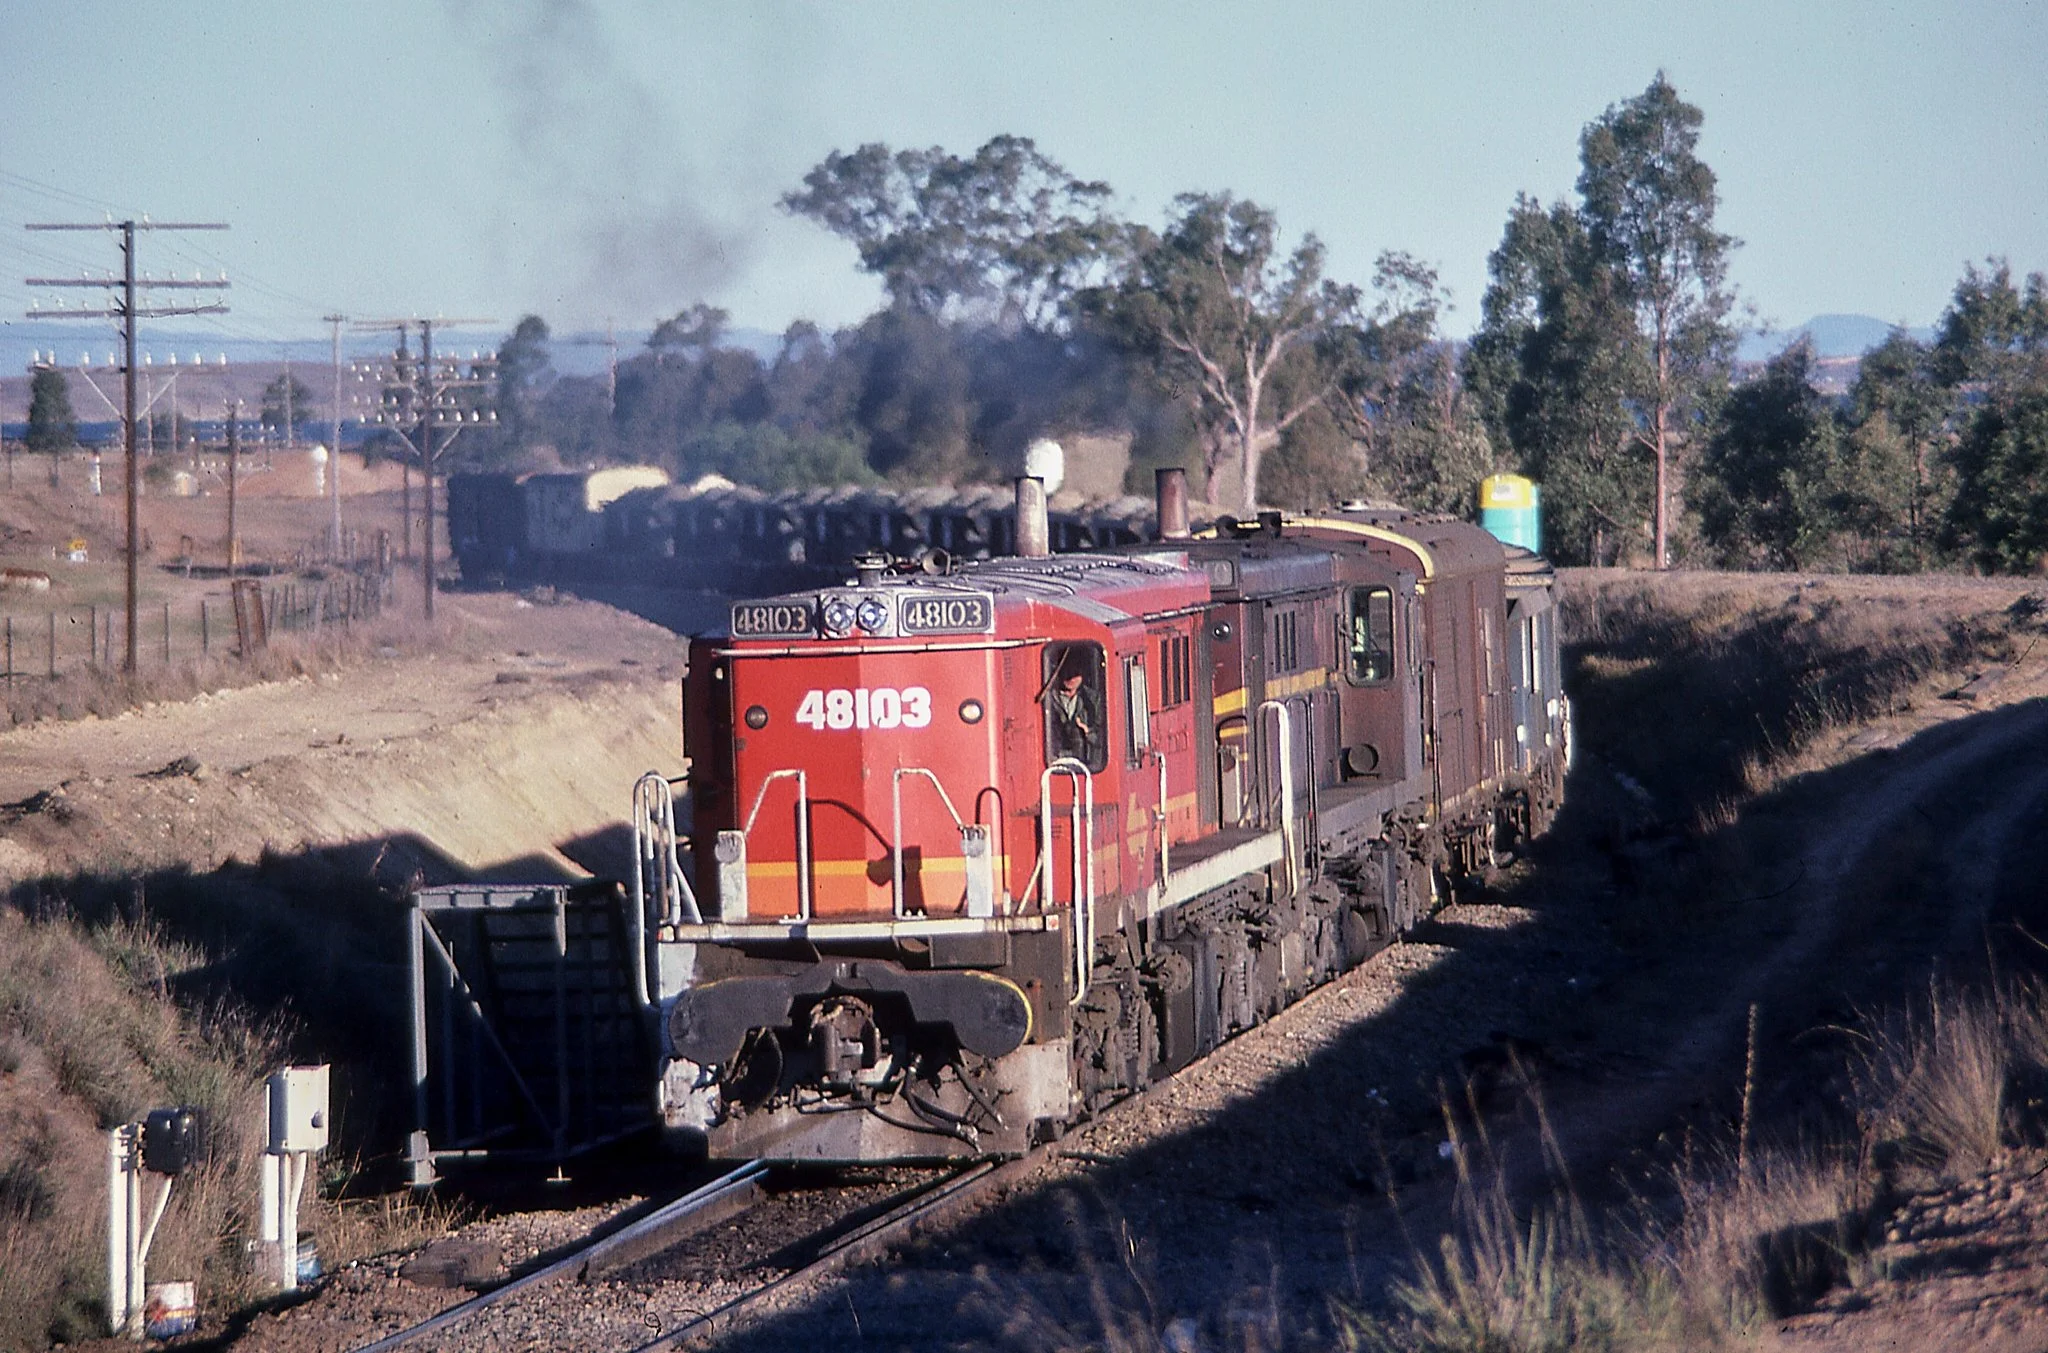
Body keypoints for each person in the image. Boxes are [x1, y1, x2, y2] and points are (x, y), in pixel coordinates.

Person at [1046, 666, 1104, 768]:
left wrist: (1087, 731)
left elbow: (1103, 739)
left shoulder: (1092, 700)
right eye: (1067, 671)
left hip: (1087, 766)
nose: (1071, 678)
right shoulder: (1047, 699)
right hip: (1055, 764)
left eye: (1076, 673)